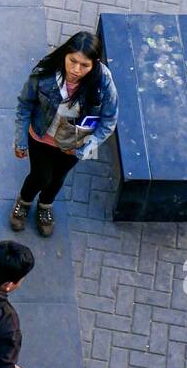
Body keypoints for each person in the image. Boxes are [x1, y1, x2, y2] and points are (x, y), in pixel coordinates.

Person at [12, 31, 118, 237]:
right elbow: (25, 104)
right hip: (41, 137)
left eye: (85, 65)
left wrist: (85, 149)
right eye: (73, 61)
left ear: (94, 63)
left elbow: (108, 120)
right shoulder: (45, 72)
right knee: (40, 176)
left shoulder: (103, 82)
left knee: (58, 177)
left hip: (73, 145)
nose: (77, 70)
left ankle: (46, 205)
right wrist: (20, 140)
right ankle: (24, 201)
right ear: (65, 55)